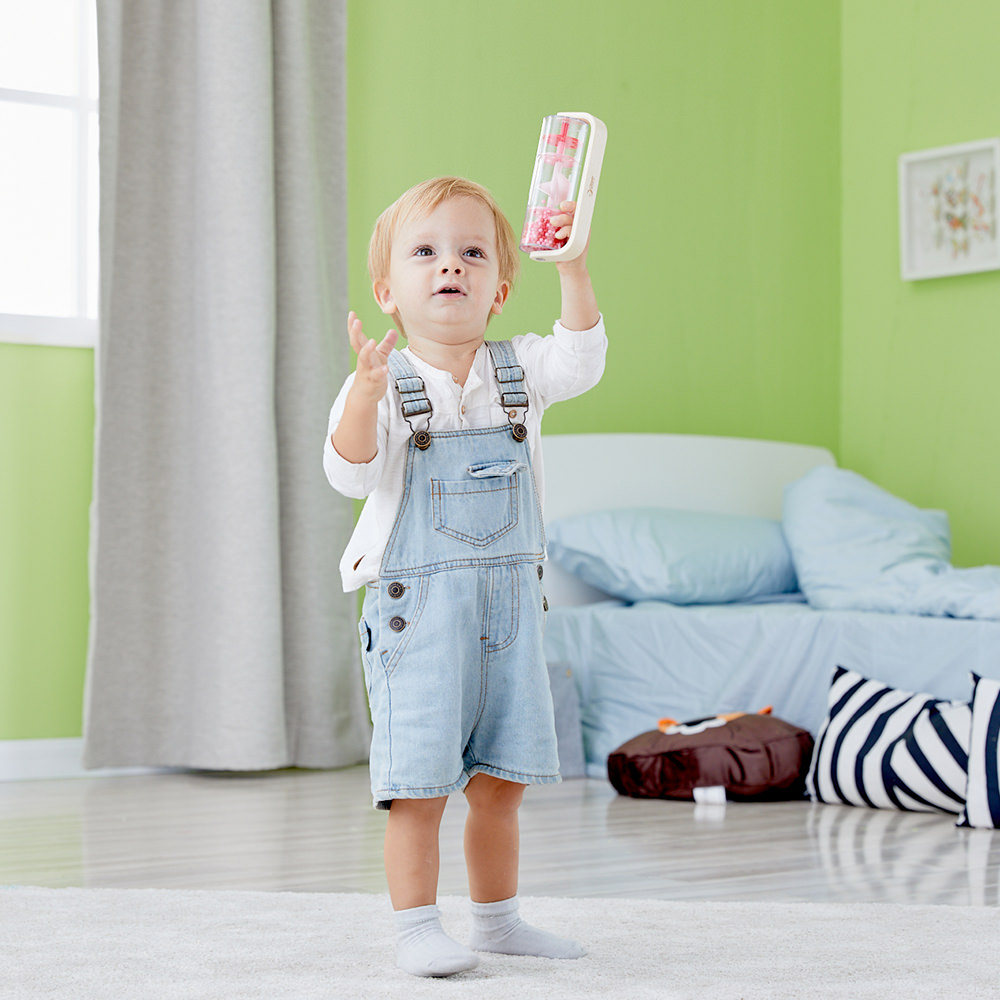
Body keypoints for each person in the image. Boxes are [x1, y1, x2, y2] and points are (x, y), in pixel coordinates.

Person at [323, 176, 606, 977]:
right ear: (387, 292)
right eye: (425, 252)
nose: (450, 265)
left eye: (472, 253)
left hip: (509, 614)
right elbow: (348, 474)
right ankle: (417, 927)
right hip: (418, 619)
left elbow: (582, 358)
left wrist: (572, 264)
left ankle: (498, 921)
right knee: (418, 785)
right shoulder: (381, 381)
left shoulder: (522, 372)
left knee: (501, 784)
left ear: (499, 290)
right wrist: (363, 398)